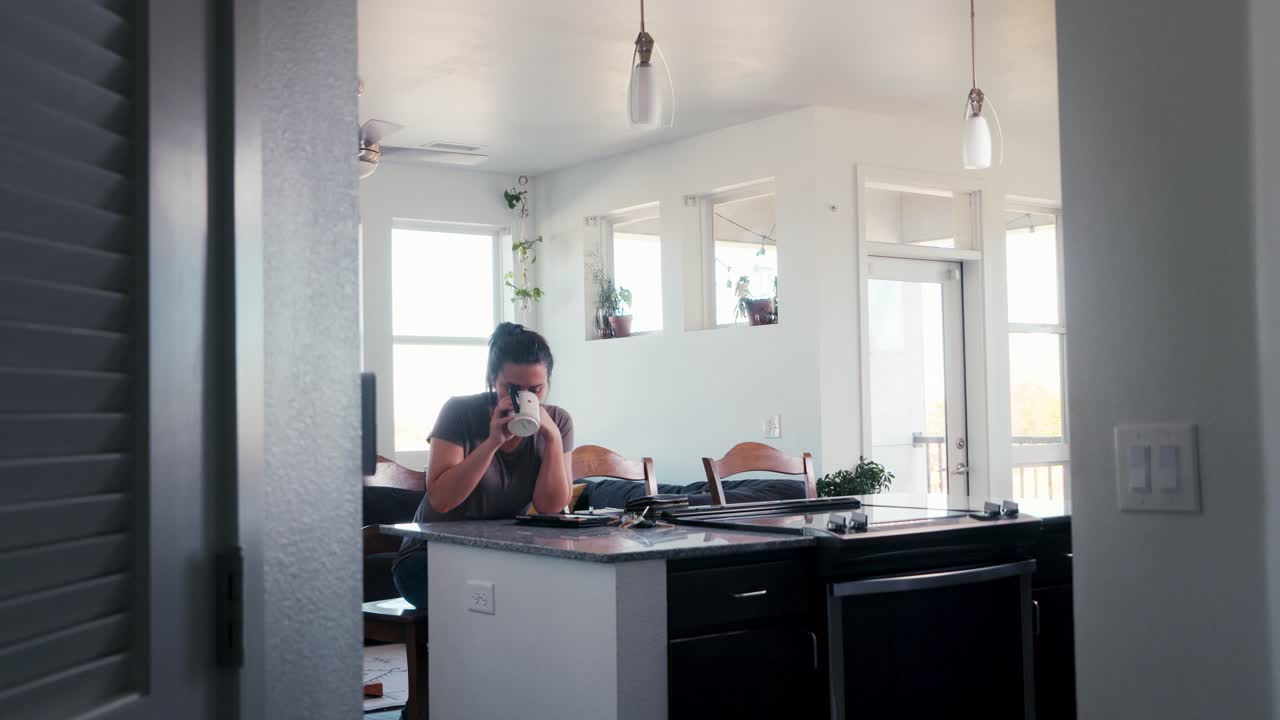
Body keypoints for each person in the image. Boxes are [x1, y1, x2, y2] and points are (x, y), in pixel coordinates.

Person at [392, 323, 574, 609]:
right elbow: (441, 499)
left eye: (535, 389)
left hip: (503, 554)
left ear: (548, 383)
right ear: (492, 379)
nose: (523, 397)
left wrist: (552, 440)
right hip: (431, 554)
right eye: (511, 389)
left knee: (558, 589)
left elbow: (551, 506)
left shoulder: (559, 422)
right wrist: (492, 442)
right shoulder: (460, 413)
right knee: (508, 598)